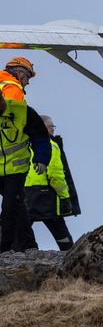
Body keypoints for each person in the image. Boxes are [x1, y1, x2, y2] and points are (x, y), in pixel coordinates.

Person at [0, 95, 50, 252]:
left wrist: (41, 158)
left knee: (9, 208)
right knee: (18, 207)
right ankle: (28, 245)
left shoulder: (21, 110)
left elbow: (40, 136)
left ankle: (4, 249)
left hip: (15, 172)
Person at [24, 115, 75, 250]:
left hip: (27, 195)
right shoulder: (50, 145)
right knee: (61, 234)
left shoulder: (26, 144)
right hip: (47, 197)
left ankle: (15, 255)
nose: (53, 129)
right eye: (52, 126)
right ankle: (71, 257)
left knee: (19, 232)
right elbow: (56, 175)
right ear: (45, 128)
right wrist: (65, 197)